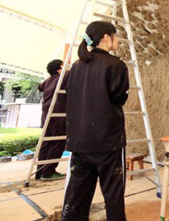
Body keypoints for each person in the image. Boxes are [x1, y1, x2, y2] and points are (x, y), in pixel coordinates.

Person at [62, 21, 129, 221]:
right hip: (107, 141)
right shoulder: (116, 65)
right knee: (113, 195)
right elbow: (119, 98)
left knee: (76, 196)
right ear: (106, 37)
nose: (117, 40)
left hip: (80, 141)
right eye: (115, 36)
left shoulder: (76, 66)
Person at [36, 59, 68, 181]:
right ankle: (48, 172)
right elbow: (71, 72)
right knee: (58, 142)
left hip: (46, 116)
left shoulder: (47, 81)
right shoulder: (60, 78)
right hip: (57, 115)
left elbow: (40, 87)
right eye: (63, 65)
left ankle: (40, 171)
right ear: (59, 69)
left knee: (46, 142)